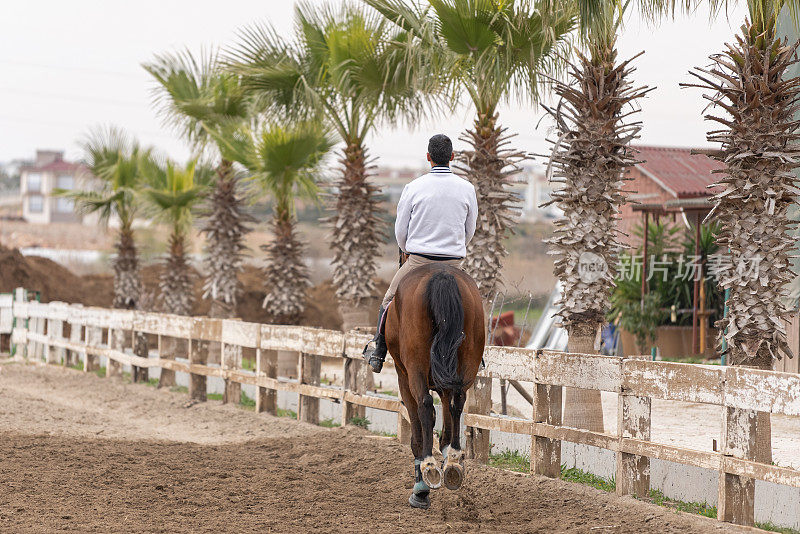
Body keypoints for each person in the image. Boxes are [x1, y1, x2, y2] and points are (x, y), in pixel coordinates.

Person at [363, 134, 478, 373]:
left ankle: (378, 350)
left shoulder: (413, 187)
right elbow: (470, 230)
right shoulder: (467, 189)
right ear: (452, 157)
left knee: (388, 300)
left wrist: (406, 250)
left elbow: (400, 229)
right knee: (474, 305)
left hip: (418, 260)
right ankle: (477, 353)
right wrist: (456, 249)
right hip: (454, 262)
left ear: (428, 157)